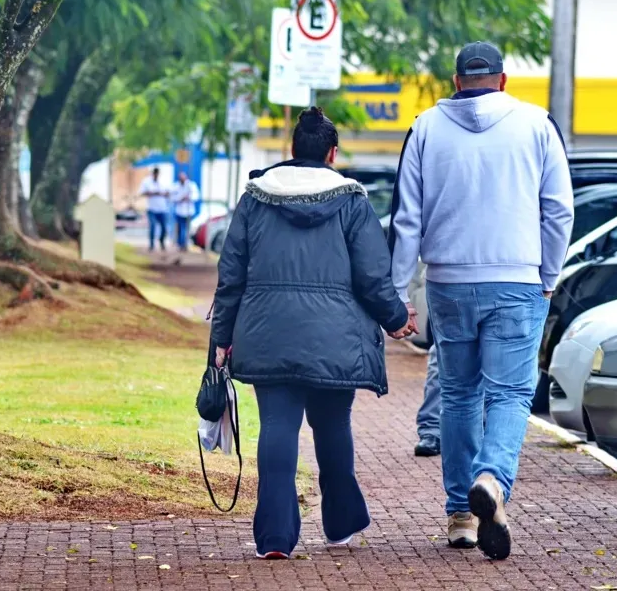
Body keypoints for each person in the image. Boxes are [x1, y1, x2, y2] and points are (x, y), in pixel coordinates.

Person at [390, 41, 574, 559]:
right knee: (511, 395)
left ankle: (459, 517)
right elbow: (558, 209)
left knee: (459, 394)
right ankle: (492, 478)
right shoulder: (537, 125)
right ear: (503, 79)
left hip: (447, 281)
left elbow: (407, 218)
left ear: (455, 81)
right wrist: (549, 274)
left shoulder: (426, 127)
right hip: (517, 279)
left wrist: (399, 291)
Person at [209, 107, 412, 561]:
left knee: (278, 426)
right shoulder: (353, 202)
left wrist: (221, 337)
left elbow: (231, 277)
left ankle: (275, 539)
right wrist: (397, 319)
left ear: (291, 151)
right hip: (335, 339)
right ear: (332, 154)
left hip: (267, 333)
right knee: (333, 426)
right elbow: (373, 278)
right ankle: (339, 527)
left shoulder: (255, 199)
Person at [138, 167, 169, 252]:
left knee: (164, 228)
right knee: (153, 226)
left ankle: (161, 241)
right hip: (151, 208)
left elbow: (169, 193)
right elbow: (141, 192)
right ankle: (151, 245)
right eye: (155, 174)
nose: (156, 175)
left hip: (162, 208)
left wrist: (162, 194)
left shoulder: (164, 181)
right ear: (153, 174)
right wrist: (152, 193)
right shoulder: (146, 181)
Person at [170, 171, 201, 253]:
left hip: (188, 211)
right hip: (179, 211)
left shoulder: (191, 185)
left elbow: (196, 196)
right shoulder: (175, 186)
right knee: (181, 229)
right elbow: (172, 197)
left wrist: (189, 197)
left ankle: (183, 244)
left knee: (185, 228)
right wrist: (180, 198)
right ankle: (181, 244)